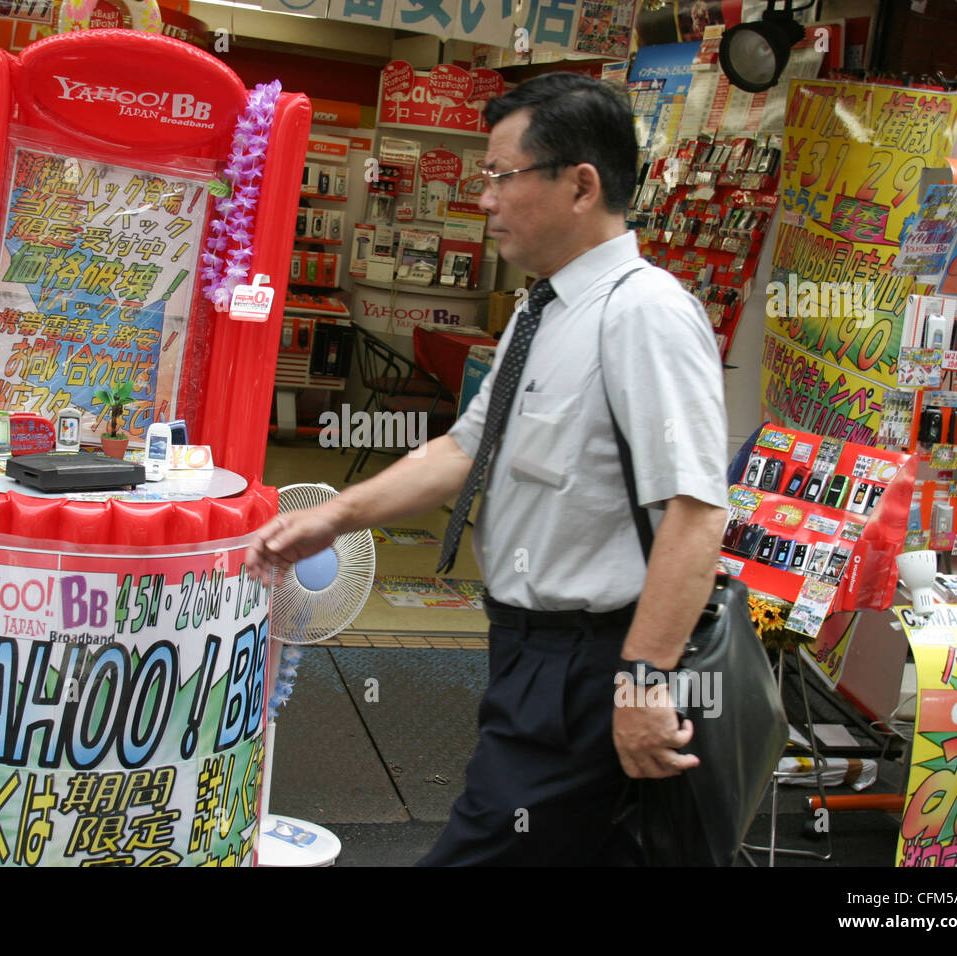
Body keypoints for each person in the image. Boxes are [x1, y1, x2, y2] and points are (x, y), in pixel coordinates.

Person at [246, 73, 729, 865]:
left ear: (581, 185)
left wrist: (641, 679)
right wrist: (333, 517)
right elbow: (464, 451)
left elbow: (697, 510)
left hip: (590, 662)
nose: (486, 200)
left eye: (503, 177)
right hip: (527, 650)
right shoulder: (543, 312)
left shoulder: (644, 313)